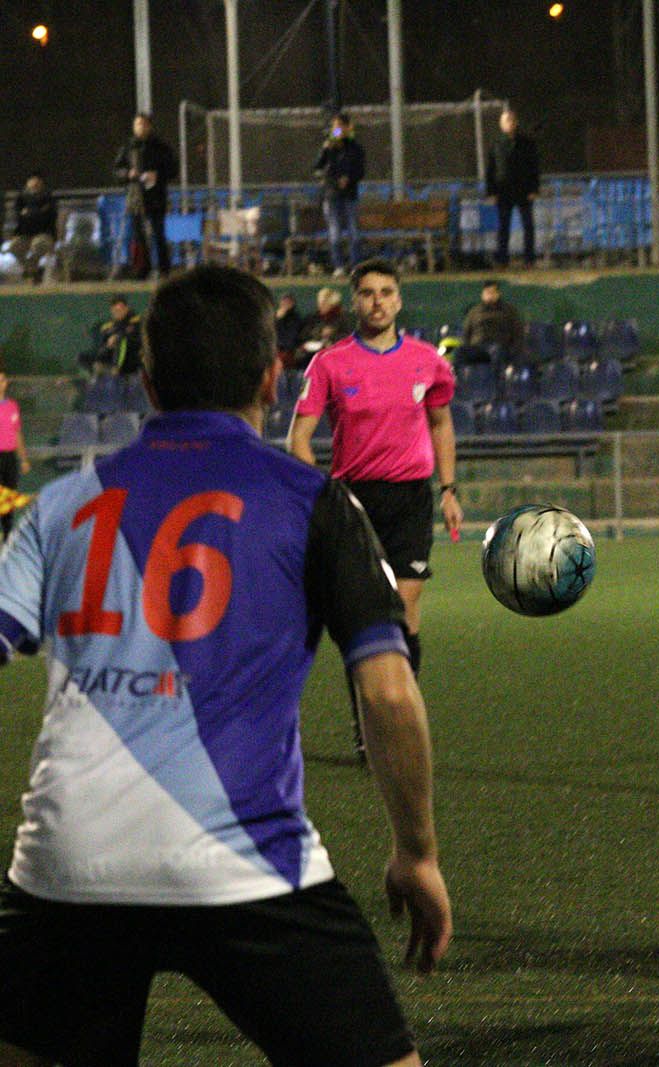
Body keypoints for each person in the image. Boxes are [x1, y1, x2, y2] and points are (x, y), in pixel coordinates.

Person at [0, 265, 451, 1065]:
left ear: (145, 381)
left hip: (68, 872)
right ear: (275, 377)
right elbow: (387, 690)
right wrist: (416, 850)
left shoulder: (63, 505)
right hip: (250, 866)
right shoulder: (313, 499)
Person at [289, 259, 462, 757]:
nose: (378, 301)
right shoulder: (330, 363)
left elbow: (442, 424)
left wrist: (448, 489)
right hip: (354, 500)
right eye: (367, 293)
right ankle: (369, 729)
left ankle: (398, 721)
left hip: (411, 497)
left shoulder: (428, 360)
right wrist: (327, 492)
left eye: (387, 292)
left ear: (400, 300)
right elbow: (299, 439)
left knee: (406, 612)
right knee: (367, 617)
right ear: (354, 301)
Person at [112, 113, 177, 278]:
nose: (140, 127)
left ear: (149, 126)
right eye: (137, 124)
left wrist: (158, 176)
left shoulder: (161, 148)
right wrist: (128, 174)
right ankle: (143, 269)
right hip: (136, 197)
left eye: (143, 124)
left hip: (156, 196)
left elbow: (173, 169)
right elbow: (117, 171)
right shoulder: (127, 147)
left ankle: (164, 269)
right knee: (138, 234)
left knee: (158, 233)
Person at [487, 108, 542, 268]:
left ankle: (529, 260)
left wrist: (534, 189)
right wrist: (491, 192)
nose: (509, 124)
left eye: (511, 120)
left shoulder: (526, 143)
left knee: (528, 226)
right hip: (503, 191)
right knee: (503, 227)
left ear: (516, 123)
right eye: (506, 121)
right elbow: (491, 169)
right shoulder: (496, 144)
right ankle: (502, 260)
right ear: (501, 125)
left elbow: (534, 167)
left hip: (524, 190)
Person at [315, 112, 366, 276]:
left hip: (350, 195)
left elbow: (360, 170)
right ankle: (339, 266)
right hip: (332, 195)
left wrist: (349, 179)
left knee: (354, 233)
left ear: (347, 127)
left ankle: (356, 265)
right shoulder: (330, 147)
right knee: (335, 234)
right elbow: (318, 166)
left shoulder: (355, 147)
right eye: (335, 126)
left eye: (340, 126)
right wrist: (325, 150)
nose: (337, 129)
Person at [7, 175, 56, 284]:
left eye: (37, 181)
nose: (34, 183)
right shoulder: (21, 198)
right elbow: (18, 216)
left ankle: (30, 270)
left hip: (43, 233)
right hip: (23, 234)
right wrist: (35, 212)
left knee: (38, 245)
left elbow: (47, 216)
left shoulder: (48, 197)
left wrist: (30, 212)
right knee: (14, 247)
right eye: (32, 181)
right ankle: (33, 270)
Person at [292, 286, 355, 369]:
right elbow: (304, 336)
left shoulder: (344, 318)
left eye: (324, 303)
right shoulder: (313, 318)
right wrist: (320, 334)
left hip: (337, 358)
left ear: (333, 304)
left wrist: (331, 338)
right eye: (320, 302)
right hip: (311, 357)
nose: (320, 305)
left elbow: (349, 338)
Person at [461, 280, 524, 361]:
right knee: (460, 353)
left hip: (499, 346)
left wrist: (513, 350)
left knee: (495, 352)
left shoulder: (508, 311)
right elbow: (466, 332)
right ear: (482, 295)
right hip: (477, 346)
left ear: (498, 294)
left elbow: (518, 332)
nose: (490, 295)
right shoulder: (474, 312)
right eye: (487, 293)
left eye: (492, 292)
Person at [0, 371, 30, 537]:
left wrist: (23, 459)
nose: (1, 383)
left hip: (10, 457)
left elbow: (17, 433)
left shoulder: (12, 406)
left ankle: (8, 535)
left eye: (3, 380)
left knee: (8, 498)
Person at [81, 295, 141, 376]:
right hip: (111, 355)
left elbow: (135, 338)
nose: (117, 313)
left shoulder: (136, 321)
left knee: (121, 341)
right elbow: (103, 344)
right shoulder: (109, 325)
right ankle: (99, 372)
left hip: (131, 357)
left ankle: (116, 369)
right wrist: (107, 346)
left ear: (126, 308)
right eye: (115, 311)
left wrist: (117, 337)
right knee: (83, 357)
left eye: (120, 310)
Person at [274, 292, 304, 364]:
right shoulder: (275, 317)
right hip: (275, 350)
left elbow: (291, 338)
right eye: (283, 302)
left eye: (288, 302)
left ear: (292, 304)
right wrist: (277, 319)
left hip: (289, 351)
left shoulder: (296, 319)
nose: (285, 305)